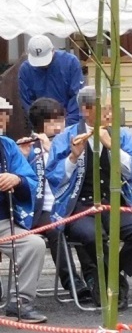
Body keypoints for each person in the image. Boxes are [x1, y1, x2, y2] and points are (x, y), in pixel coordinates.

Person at [46, 86, 132, 309]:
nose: (111, 113)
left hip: (114, 203)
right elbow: (53, 177)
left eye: (112, 108)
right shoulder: (66, 137)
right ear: (86, 110)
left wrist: (111, 146)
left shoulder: (122, 135)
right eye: (105, 108)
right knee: (93, 235)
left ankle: (111, 278)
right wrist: (73, 158)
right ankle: (111, 286)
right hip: (79, 207)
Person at [20, 97, 77, 293]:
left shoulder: (69, 145)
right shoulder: (29, 148)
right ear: (39, 125)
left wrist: (53, 150)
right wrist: (25, 156)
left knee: (86, 228)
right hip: (41, 210)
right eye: (51, 122)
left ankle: (93, 279)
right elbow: (21, 182)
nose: (58, 127)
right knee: (55, 229)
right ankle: (72, 282)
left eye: (60, 120)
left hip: (67, 206)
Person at [0, 95, 47, 323]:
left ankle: (21, 302)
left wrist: (17, 179)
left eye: (2, 115)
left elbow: (30, 179)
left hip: (3, 224)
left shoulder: (8, 145)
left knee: (34, 243)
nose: (1, 119)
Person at [18, 34, 85, 128]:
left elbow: (77, 96)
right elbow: (28, 103)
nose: (42, 65)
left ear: (53, 50)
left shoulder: (70, 63)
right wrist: (40, 127)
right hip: (41, 127)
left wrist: (68, 125)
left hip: (69, 124)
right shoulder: (26, 69)